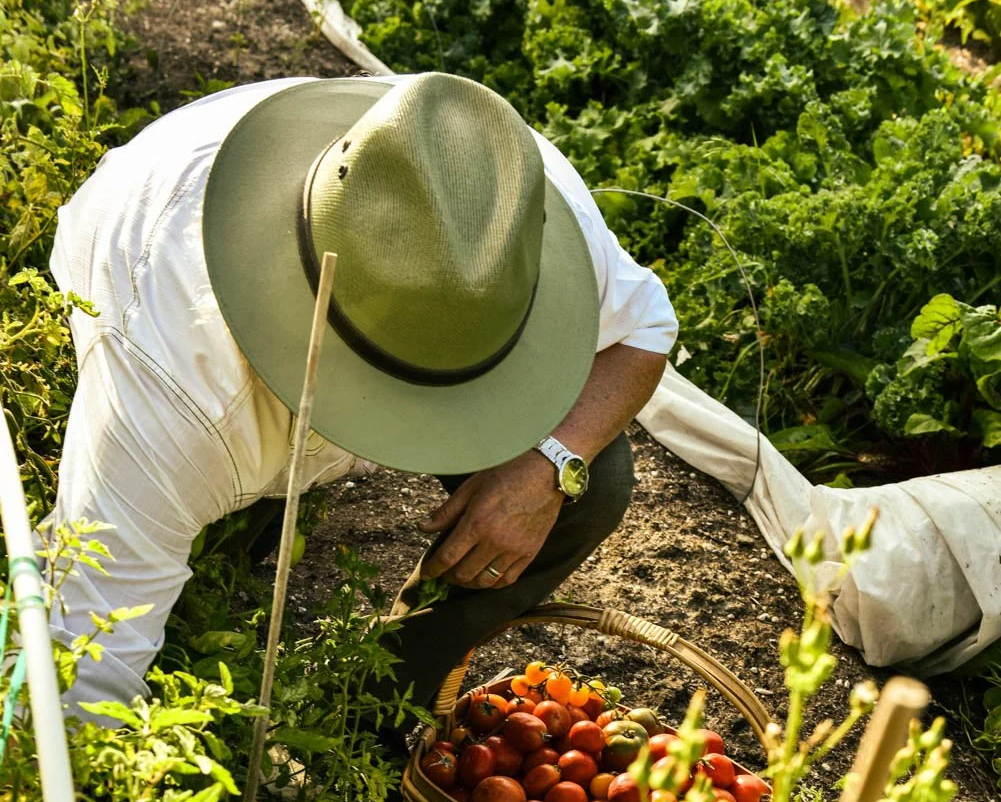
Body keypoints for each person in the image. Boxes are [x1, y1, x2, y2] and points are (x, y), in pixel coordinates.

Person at [42, 71, 676, 716]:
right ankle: (221, 555)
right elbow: (86, 662)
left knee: (590, 479)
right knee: (187, 551)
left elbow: (646, 330)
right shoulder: (173, 390)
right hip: (166, 291)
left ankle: (375, 707)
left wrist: (546, 465)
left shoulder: (510, 204)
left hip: (271, 368)